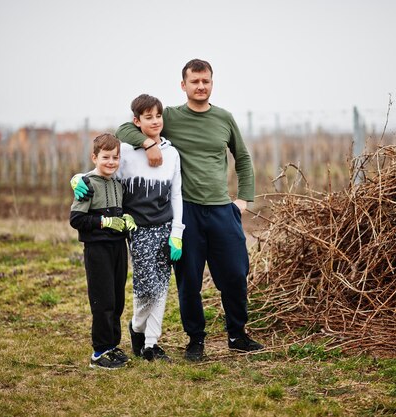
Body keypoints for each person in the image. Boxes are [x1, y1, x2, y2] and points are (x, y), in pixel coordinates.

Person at [115, 58, 263, 361]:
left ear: (212, 83)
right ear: (183, 85)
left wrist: (243, 199)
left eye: (205, 81)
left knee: (236, 273)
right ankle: (195, 340)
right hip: (186, 214)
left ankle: (237, 334)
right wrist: (147, 143)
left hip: (223, 210)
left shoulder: (224, 118)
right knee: (189, 281)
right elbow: (123, 129)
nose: (200, 86)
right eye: (194, 81)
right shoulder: (169, 116)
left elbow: (243, 159)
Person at [71, 94, 184, 362]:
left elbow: (176, 195)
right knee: (146, 288)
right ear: (137, 121)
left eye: (158, 116)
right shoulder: (126, 153)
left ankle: (150, 344)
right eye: (148, 117)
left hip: (165, 228)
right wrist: (76, 177)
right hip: (136, 232)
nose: (155, 121)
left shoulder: (172, 154)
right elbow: (101, 172)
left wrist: (177, 233)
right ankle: (135, 330)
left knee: (161, 286)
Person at [69, 133, 137, 370]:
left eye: (115, 157)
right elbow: (77, 219)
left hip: (119, 248)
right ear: (94, 157)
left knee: (117, 299)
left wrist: (124, 218)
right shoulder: (86, 185)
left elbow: (121, 211)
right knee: (103, 301)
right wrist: (104, 222)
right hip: (98, 250)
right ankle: (98, 353)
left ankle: (112, 346)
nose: (111, 162)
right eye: (105, 157)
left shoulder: (117, 184)